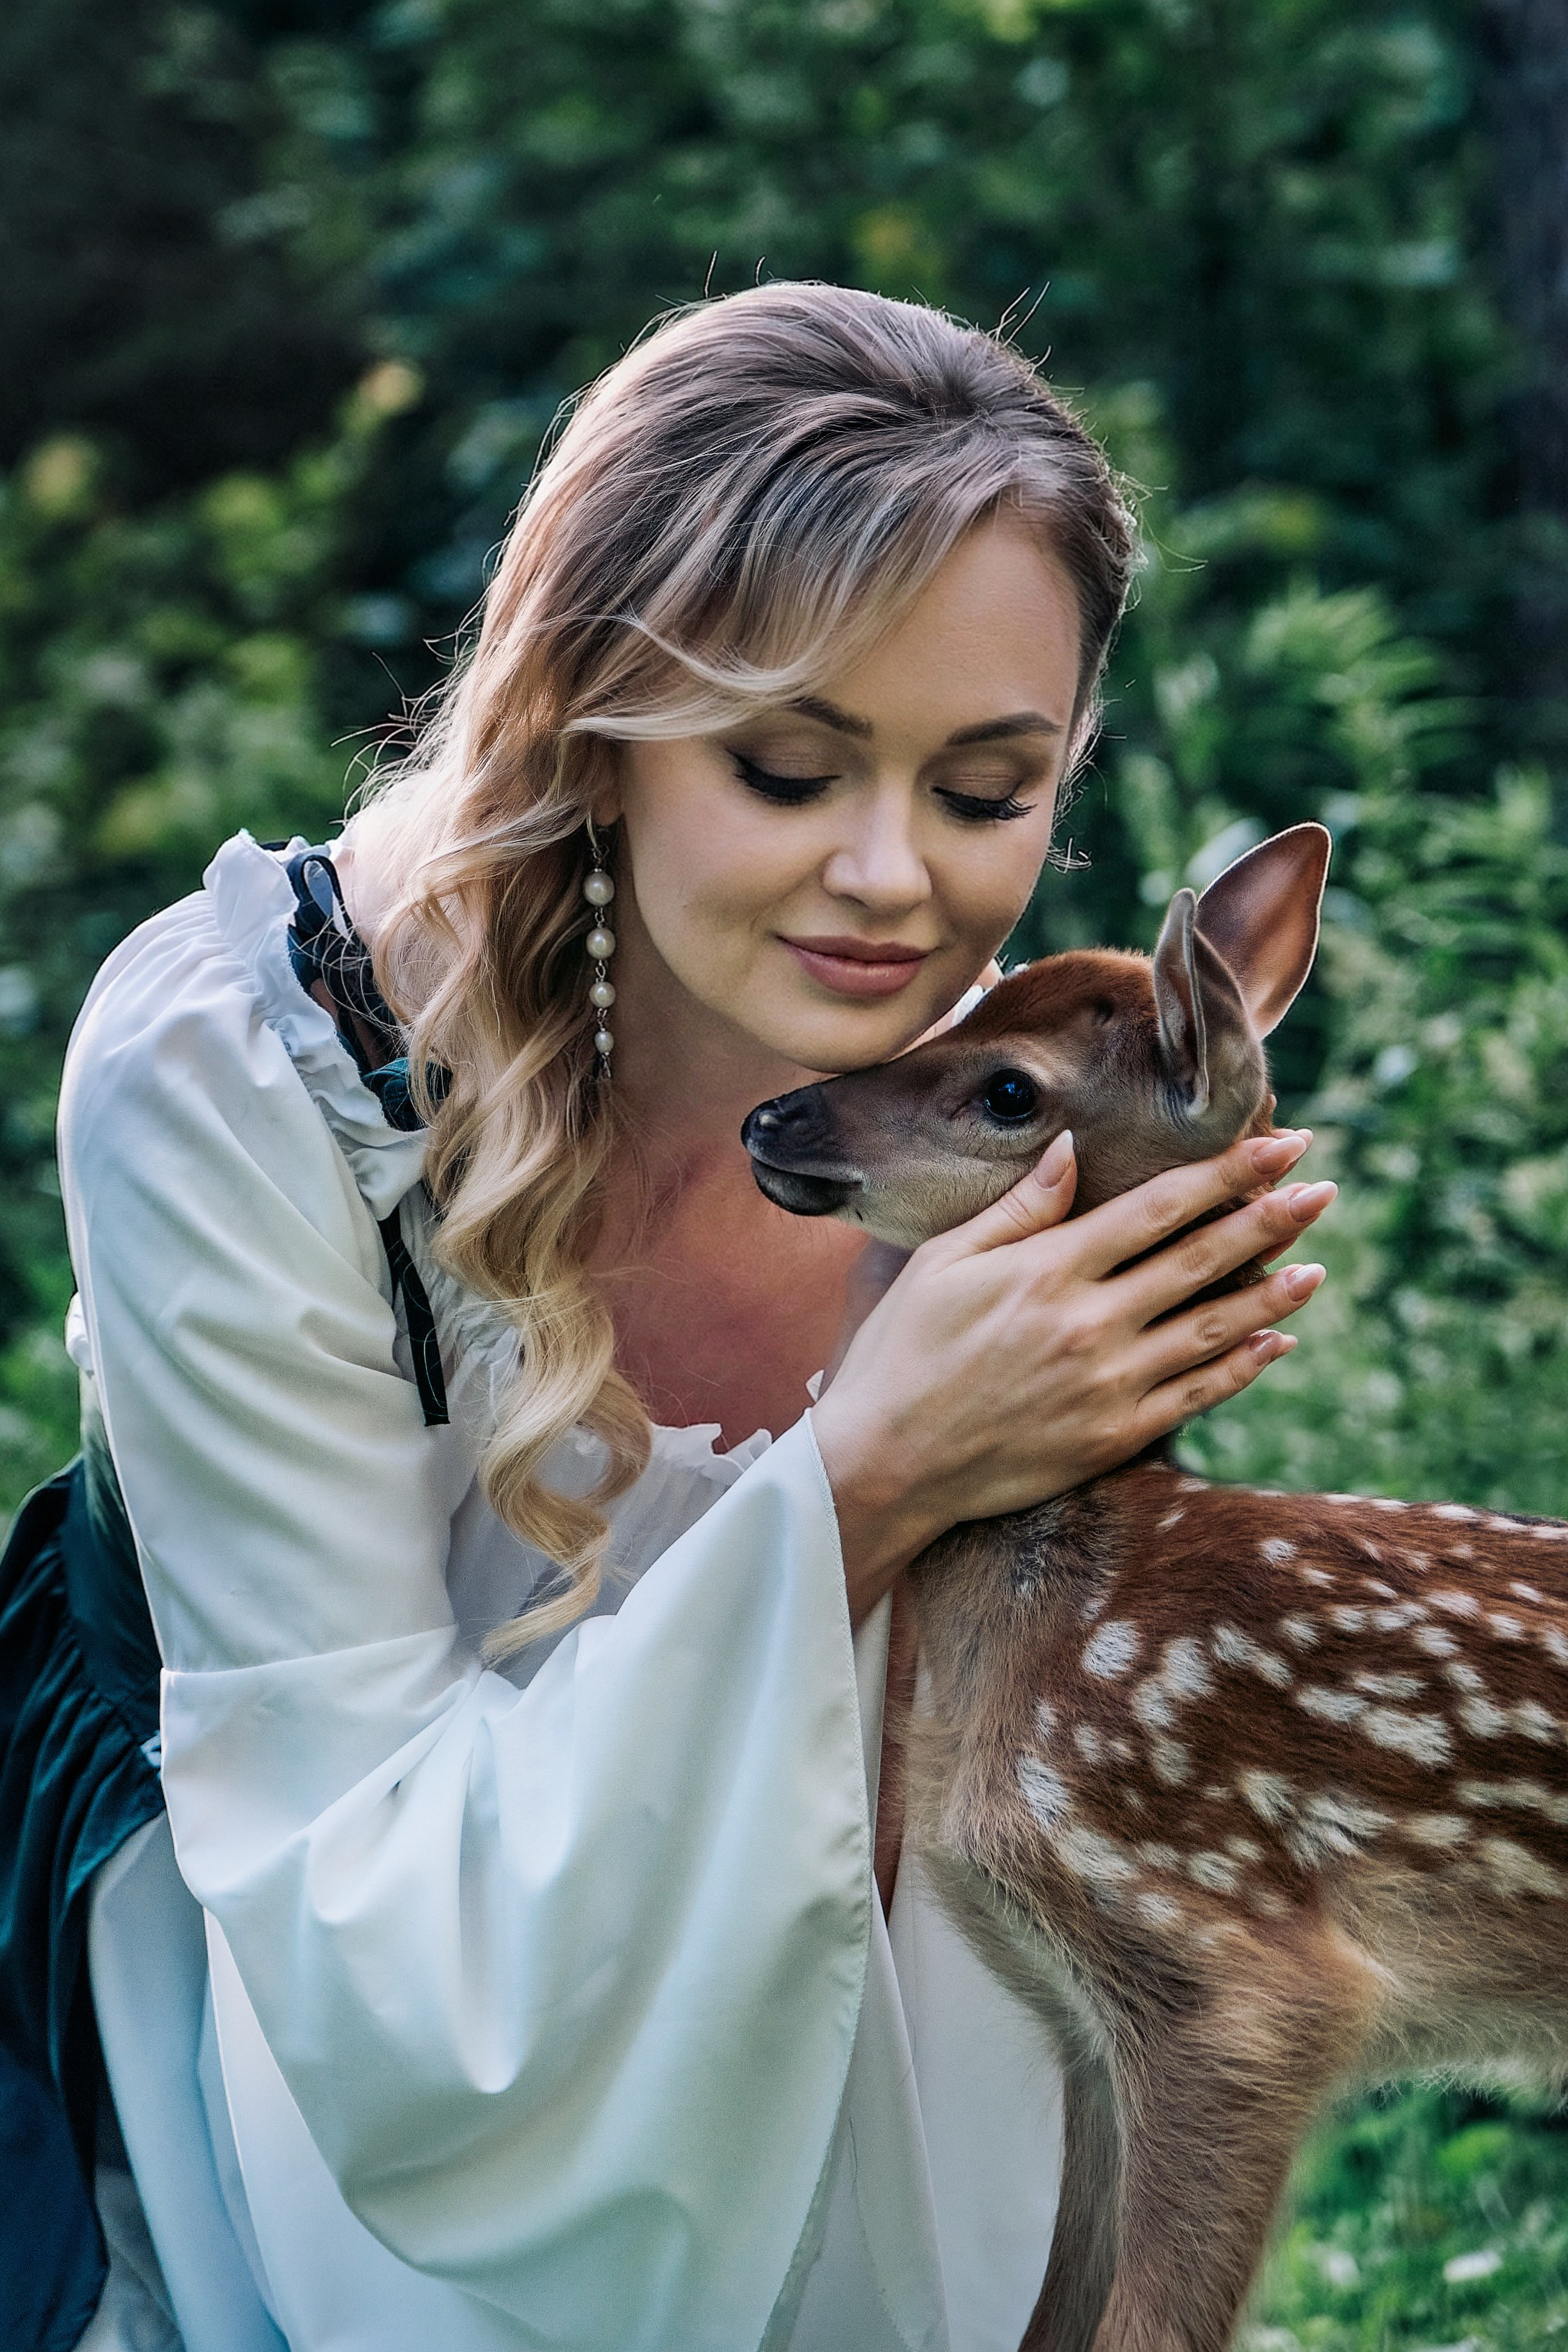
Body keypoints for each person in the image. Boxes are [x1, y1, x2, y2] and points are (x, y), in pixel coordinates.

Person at [7, 283, 1333, 2352]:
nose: (890, 881)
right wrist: (877, 1473)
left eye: (987, 793)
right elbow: (367, 1920)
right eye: (789, 766)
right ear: (594, 722)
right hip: (383, 2050)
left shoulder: (1010, 1096)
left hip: (919, 2009)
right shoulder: (246, 1071)